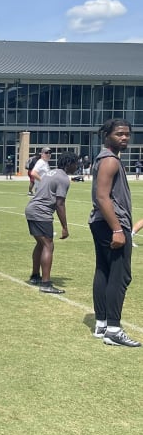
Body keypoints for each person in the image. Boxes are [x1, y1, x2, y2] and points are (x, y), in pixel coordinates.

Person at [89, 119, 140, 347]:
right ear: (107, 135)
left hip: (102, 222)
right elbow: (102, 197)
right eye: (119, 134)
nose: (125, 138)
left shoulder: (105, 159)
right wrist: (118, 229)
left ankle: (101, 324)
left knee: (104, 271)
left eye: (127, 134)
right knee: (120, 276)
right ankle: (113, 329)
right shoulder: (109, 160)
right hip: (111, 223)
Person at [24, 152, 79, 293]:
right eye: (75, 163)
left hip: (31, 209)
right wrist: (65, 227)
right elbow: (60, 204)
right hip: (41, 212)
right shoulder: (63, 178)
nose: (77, 166)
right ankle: (46, 283)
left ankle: (35, 276)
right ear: (69, 164)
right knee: (48, 245)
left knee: (41, 244)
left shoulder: (51, 173)